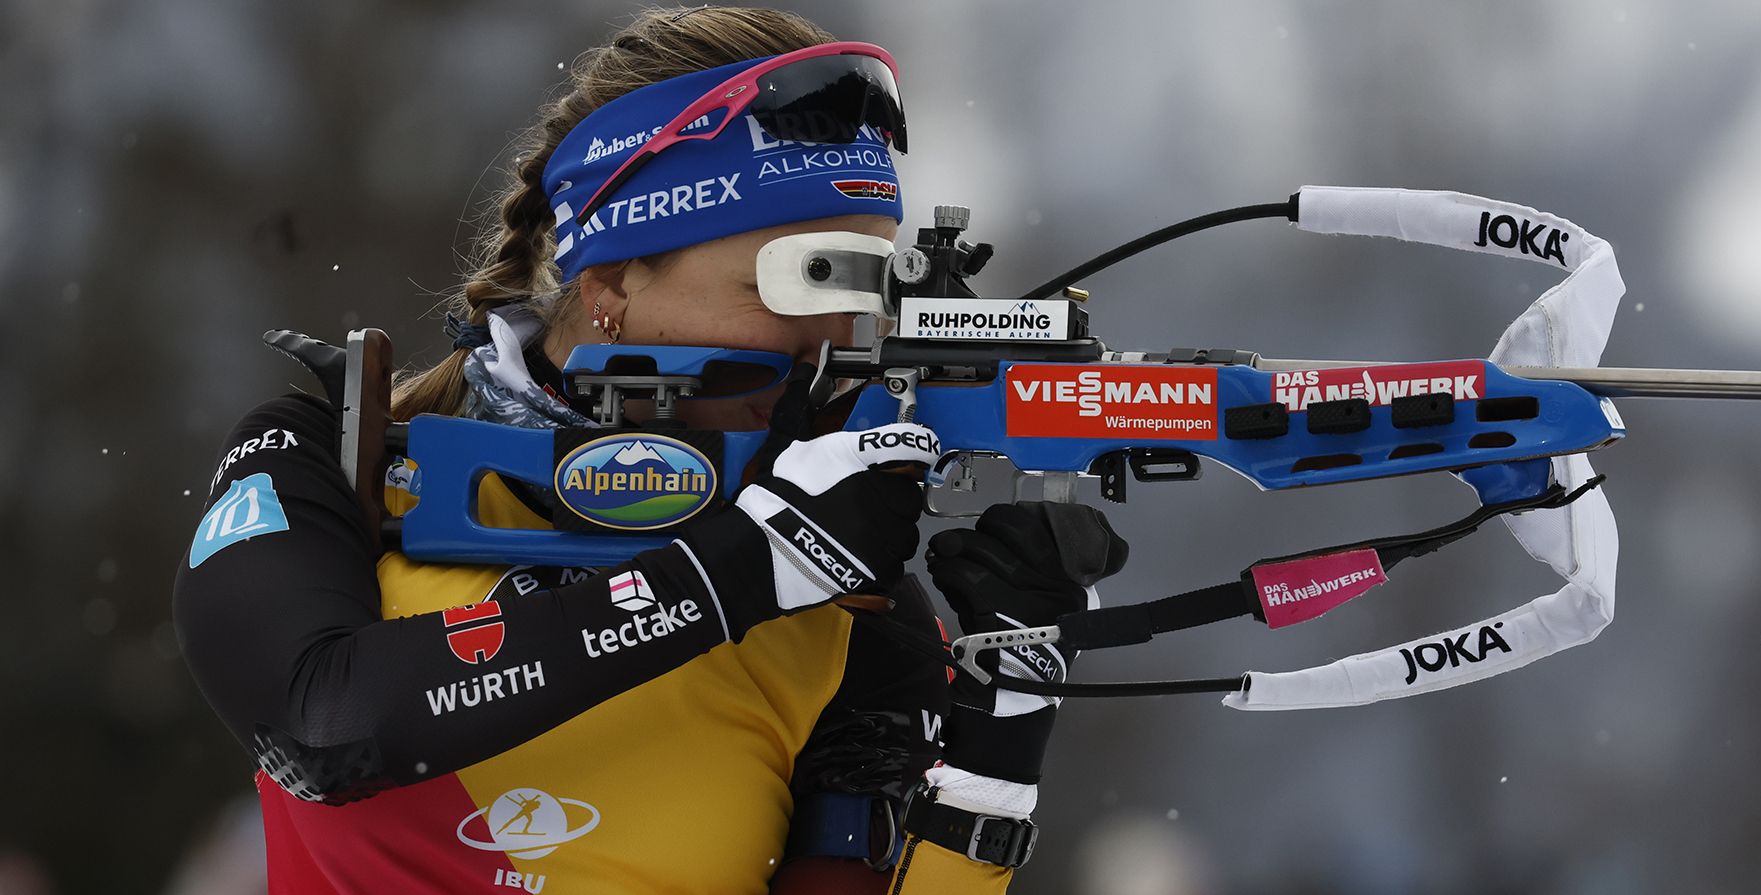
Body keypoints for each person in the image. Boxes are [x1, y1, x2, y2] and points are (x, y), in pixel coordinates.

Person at [173, 7, 1127, 894]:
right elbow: (325, 724)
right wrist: (748, 567)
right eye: (802, 280)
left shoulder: (851, 611)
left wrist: (997, 751)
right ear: (615, 280)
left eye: (870, 287)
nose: (840, 339)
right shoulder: (326, 459)